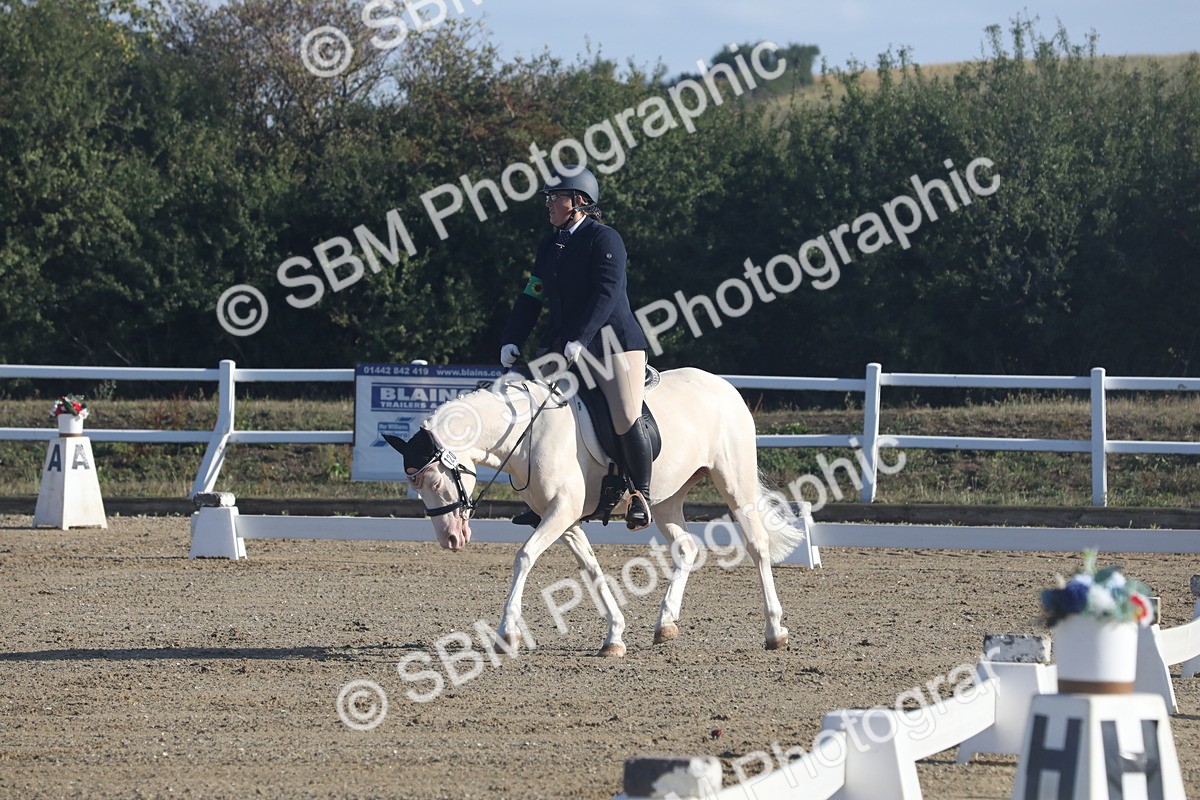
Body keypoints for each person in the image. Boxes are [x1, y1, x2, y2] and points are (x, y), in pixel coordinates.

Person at [499, 166, 654, 530]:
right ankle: (542, 500)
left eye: (556, 197)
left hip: (614, 343)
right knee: (538, 408)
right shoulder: (550, 245)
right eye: (548, 198)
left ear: (579, 202)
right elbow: (532, 294)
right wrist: (512, 337)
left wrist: (581, 337)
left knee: (623, 413)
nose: (549, 204)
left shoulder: (604, 239)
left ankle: (640, 495)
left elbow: (606, 293)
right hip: (565, 343)